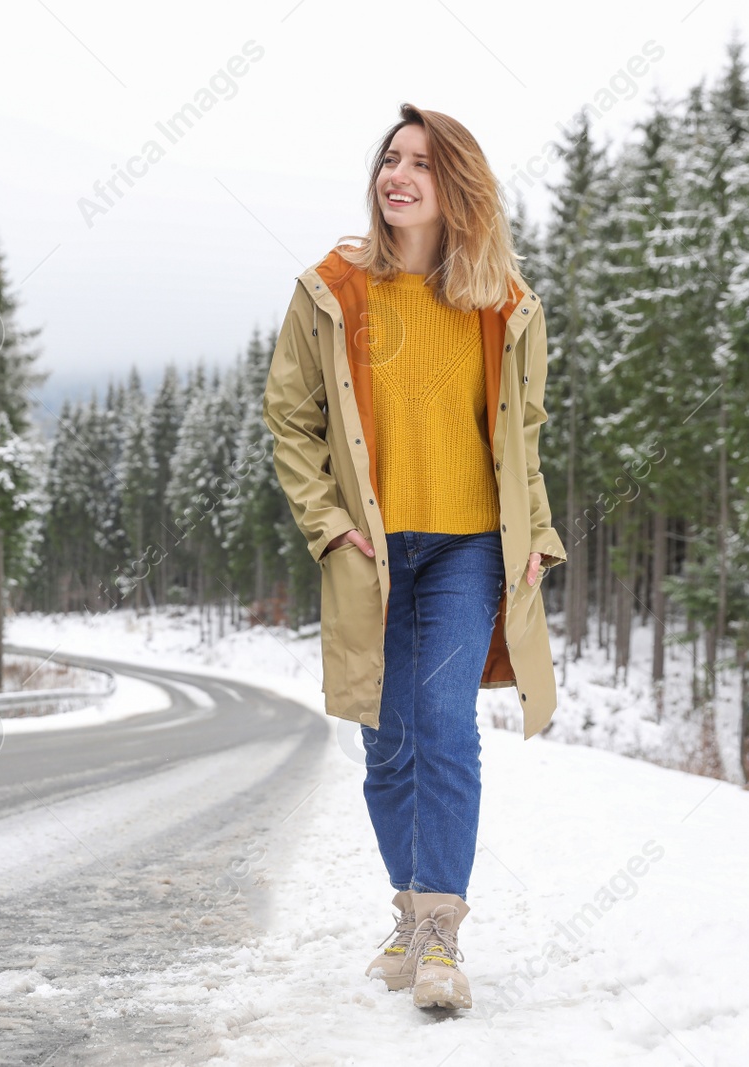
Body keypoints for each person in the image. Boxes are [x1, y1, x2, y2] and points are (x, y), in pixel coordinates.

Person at [261, 103, 566, 1010]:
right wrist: (326, 523)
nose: (397, 175)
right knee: (386, 745)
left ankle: (439, 932)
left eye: (420, 164)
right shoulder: (330, 290)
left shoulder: (505, 304)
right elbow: (291, 418)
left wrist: (537, 531)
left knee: (445, 725)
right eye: (390, 159)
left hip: (471, 546)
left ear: (456, 187)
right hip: (374, 555)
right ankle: (408, 910)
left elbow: (525, 434)